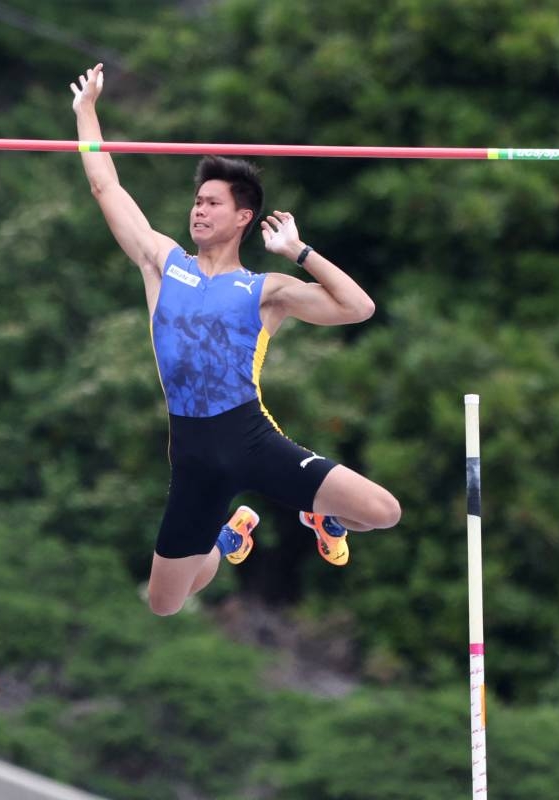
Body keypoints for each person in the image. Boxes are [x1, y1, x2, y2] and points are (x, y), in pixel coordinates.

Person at [71, 64, 401, 617]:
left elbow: (358, 307)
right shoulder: (162, 263)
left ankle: (323, 518)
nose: (199, 210)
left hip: (250, 438)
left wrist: (299, 251)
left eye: (212, 203)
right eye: (197, 202)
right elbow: (106, 185)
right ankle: (226, 540)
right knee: (164, 603)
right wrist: (86, 113)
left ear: (243, 216)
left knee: (382, 511)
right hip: (194, 455)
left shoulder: (266, 290)